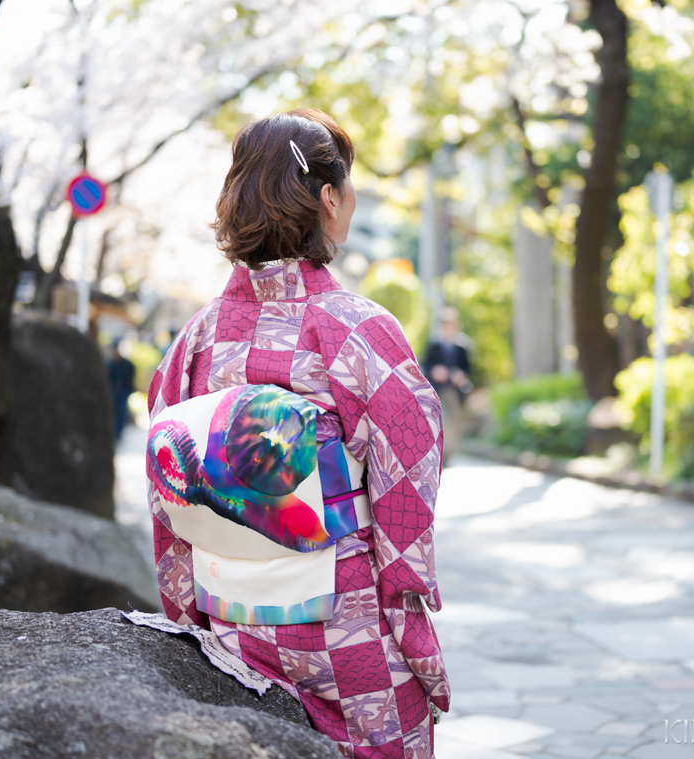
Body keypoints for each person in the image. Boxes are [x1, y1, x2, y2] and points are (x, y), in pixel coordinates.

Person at [145, 109, 448, 758]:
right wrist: (409, 621)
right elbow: (408, 487)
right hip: (344, 630)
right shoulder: (356, 332)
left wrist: (186, 606)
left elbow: (166, 486)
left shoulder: (192, 342)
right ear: (330, 199)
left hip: (231, 625)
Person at [422, 307, 472, 464]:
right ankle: (439, 454)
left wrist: (461, 375)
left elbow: (468, 368)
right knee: (438, 421)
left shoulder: (462, 346)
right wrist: (435, 371)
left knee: (453, 422)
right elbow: (425, 366)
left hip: (455, 391)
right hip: (438, 390)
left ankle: (449, 454)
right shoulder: (434, 346)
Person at [107, 343, 136, 440]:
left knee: (121, 412)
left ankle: (119, 431)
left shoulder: (127, 364)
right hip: (113, 391)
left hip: (123, 391)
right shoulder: (110, 364)